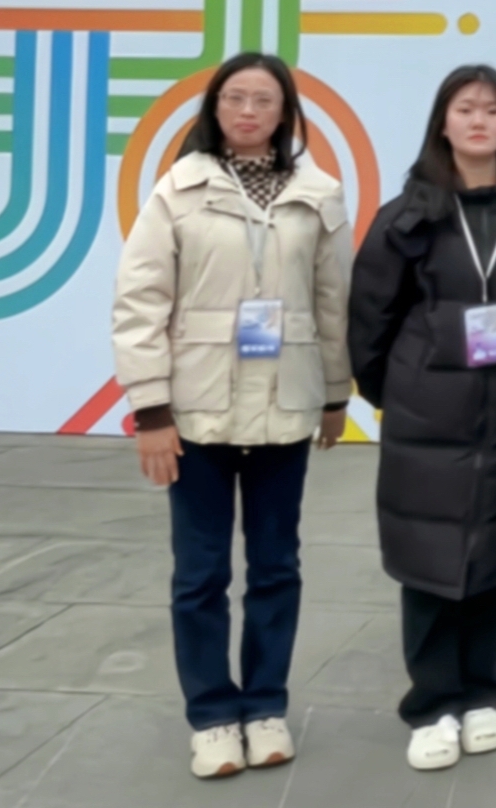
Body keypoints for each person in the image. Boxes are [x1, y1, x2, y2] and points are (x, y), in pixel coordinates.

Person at [112, 52, 353, 779]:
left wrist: (335, 394)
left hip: (285, 408)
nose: (249, 111)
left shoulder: (319, 194)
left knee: (277, 567)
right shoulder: (178, 191)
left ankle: (266, 706)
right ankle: (213, 716)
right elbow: (140, 302)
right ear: (215, 107)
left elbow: (333, 301)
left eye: (264, 100)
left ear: (286, 113)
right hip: (198, 414)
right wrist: (151, 411)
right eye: (235, 98)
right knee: (201, 574)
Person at [347, 65, 496, 771]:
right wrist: (402, 393)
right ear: (443, 121)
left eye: (492, 110)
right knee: (429, 559)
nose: (478, 121)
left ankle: (482, 695)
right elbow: (370, 318)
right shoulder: (410, 213)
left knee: (495, 552)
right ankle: (433, 703)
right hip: (427, 415)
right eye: (465, 109)